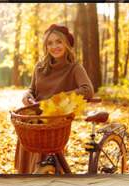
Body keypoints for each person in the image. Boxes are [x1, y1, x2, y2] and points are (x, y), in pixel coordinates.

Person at [15, 24, 94, 174]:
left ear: (66, 43)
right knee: (28, 132)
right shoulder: (40, 67)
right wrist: (27, 96)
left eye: (59, 41)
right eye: (50, 43)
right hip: (33, 117)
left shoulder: (74, 67)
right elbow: (31, 89)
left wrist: (56, 100)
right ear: (46, 46)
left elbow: (88, 90)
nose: (54, 46)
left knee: (44, 149)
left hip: (56, 118)